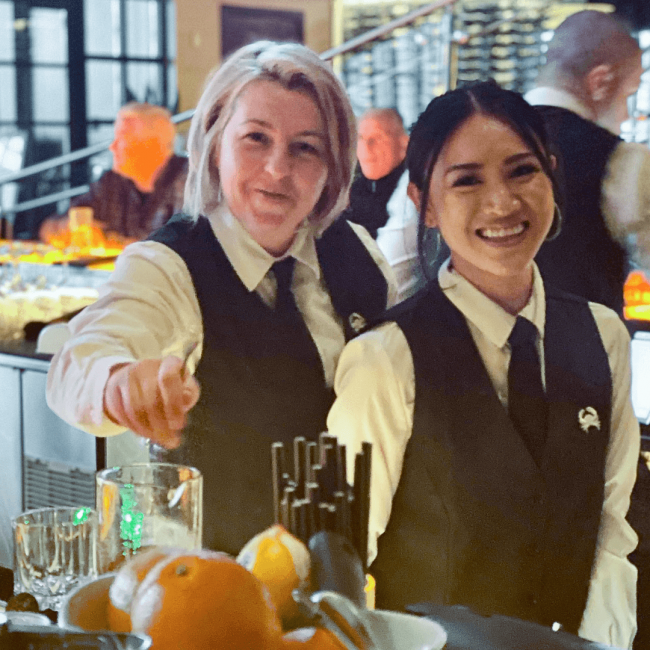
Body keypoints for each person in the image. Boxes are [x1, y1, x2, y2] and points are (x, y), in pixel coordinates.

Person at [46, 41, 396, 557]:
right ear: (213, 144)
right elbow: (76, 362)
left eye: (306, 147)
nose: (278, 169)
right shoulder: (169, 265)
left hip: (346, 582)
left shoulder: (359, 253)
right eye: (256, 138)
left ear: (332, 166)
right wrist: (117, 383)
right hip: (215, 590)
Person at [327, 81, 639, 648]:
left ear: (551, 175)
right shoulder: (386, 359)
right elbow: (341, 564)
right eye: (467, 180)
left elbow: (610, 534)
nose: (501, 203)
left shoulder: (603, 335)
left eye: (522, 171)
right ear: (424, 204)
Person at [524, 10, 648, 316]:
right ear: (600, 81)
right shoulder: (623, 160)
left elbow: (402, 263)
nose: (626, 115)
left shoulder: (467, 141)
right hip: (584, 357)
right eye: (627, 96)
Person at [39, 102, 188, 243]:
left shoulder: (189, 182)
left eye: (122, 137)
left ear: (152, 145)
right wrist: (67, 228)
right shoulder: (112, 182)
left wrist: (117, 243)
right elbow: (49, 228)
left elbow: (187, 247)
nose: (112, 146)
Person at [343, 108, 425, 302]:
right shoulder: (351, 191)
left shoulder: (410, 192)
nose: (367, 147)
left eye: (378, 138)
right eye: (361, 138)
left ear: (404, 144)